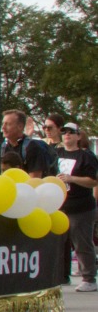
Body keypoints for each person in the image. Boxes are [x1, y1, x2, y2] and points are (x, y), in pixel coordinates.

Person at [55, 122, 98, 292]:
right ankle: (59, 275)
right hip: (59, 205)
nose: (67, 135)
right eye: (64, 132)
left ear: (79, 136)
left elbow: (93, 181)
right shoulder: (56, 154)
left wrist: (72, 179)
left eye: (71, 132)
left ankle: (89, 278)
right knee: (58, 243)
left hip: (81, 207)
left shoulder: (86, 157)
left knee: (82, 243)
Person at [0, 110, 54, 178]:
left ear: (20, 126)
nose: (3, 127)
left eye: (8, 124)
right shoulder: (3, 148)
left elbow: (34, 180)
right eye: (3, 124)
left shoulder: (32, 148)